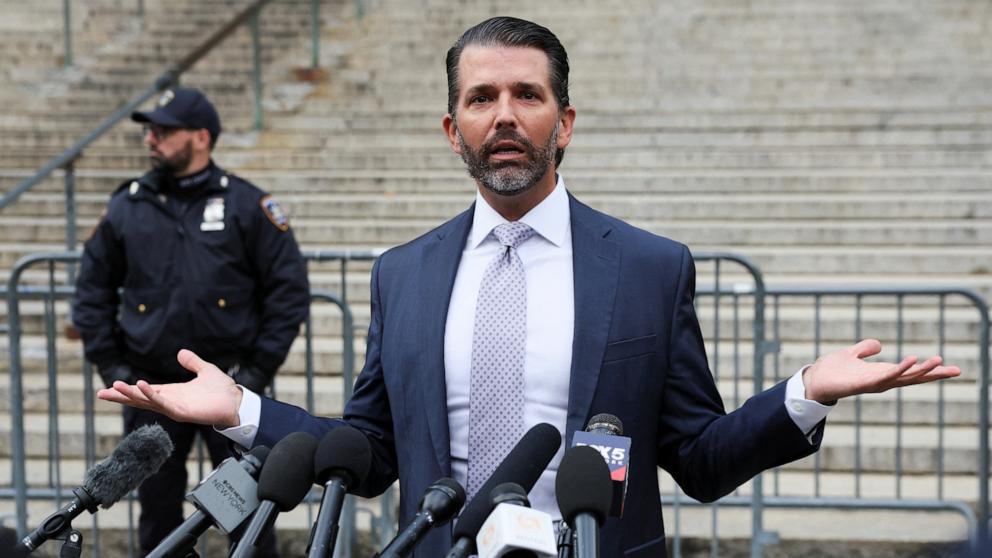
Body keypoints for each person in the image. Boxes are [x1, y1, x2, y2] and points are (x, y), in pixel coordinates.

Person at [96, 19, 960, 557]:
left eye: (526, 94)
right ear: (452, 129)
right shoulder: (404, 273)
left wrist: (803, 394)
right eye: (481, 98)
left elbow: (698, 460)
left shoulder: (650, 266)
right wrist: (243, 411)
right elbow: (372, 450)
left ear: (565, 121)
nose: (503, 114)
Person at [74, 87, 310, 556]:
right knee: (158, 513)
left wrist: (258, 371)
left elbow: (288, 290)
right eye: (149, 130)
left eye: (164, 130)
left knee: (250, 506)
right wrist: (115, 372)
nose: (151, 139)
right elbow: (91, 293)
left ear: (201, 137)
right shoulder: (129, 205)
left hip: (230, 388)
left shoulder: (247, 205)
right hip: (151, 391)